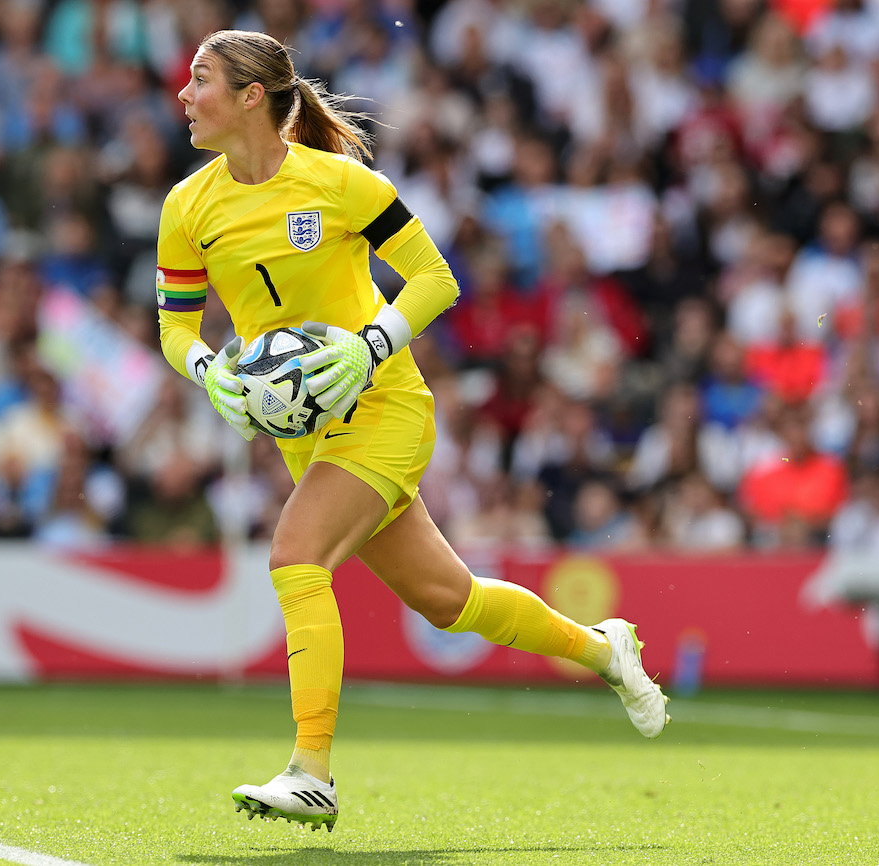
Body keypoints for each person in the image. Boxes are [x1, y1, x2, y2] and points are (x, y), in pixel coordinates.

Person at [155, 30, 669, 833]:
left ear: (253, 96)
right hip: (306, 435)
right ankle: (605, 649)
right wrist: (208, 373)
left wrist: (368, 349)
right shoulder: (186, 208)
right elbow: (176, 327)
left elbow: (435, 278)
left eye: (200, 79)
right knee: (447, 600)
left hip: (384, 403)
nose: (184, 95)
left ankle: (311, 771)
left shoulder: (341, 184)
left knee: (295, 557)